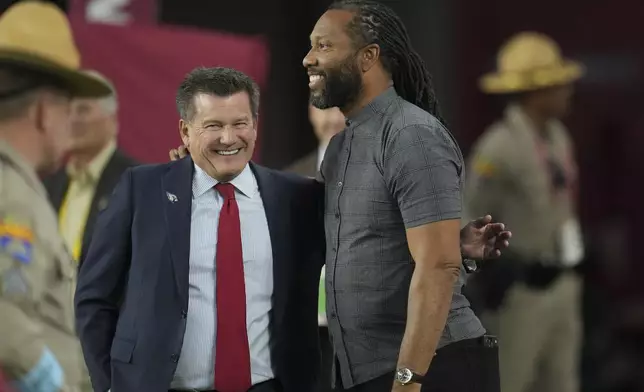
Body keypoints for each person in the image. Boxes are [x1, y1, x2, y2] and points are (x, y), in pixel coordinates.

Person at [74, 67, 326, 392]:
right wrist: (109, 383)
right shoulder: (142, 190)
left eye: (240, 124)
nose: (229, 138)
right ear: (185, 131)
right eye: (213, 126)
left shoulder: (297, 197)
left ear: (255, 125)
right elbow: (94, 297)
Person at [303, 1, 509, 391]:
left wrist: (407, 380)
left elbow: (437, 269)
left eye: (324, 46)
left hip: (428, 371)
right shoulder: (340, 146)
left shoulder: (411, 135)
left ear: (368, 58)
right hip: (365, 373)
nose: (308, 59)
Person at [0, 1, 112, 391]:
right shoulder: (13, 194)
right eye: (70, 109)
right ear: (45, 113)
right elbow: (5, 312)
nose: (72, 124)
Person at [465, 32, 584, 392]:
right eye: (557, 84)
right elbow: (471, 217)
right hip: (521, 291)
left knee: (562, 382)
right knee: (512, 381)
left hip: (562, 283)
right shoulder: (498, 149)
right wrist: (498, 267)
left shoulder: (558, 137)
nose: (567, 91)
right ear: (536, 91)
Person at [43, 70, 138, 266]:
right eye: (67, 111)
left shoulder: (139, 183)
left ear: (112, 121)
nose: (73, 120)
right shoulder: (49, 183)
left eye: (83, 110)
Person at [285, 105, 345, 392]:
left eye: (341, 106)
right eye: (324, 107)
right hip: (307, 341)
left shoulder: (388, 177)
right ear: (310, 110)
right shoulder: (287, 182)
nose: (333, 118)